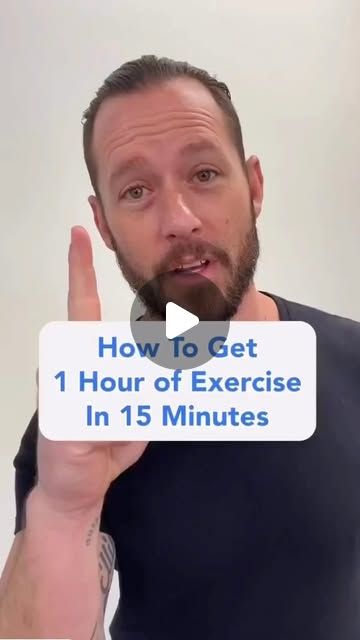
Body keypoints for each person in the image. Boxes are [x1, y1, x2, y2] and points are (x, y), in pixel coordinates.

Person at [0, 54, 359, 640]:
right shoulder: (85, 418)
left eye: (204, 174)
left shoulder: (352, 360)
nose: (180, 218)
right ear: (106, 224)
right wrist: (67, 513)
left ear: (256, 186)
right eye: (137, 190)